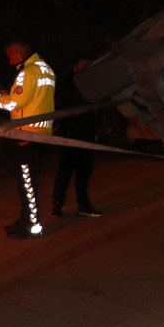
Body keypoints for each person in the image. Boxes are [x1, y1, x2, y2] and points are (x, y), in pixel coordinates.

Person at [0, 38, 56, 239]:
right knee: (29, 180)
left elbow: (17, 102)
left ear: (19, 53)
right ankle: (26, 217)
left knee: (26, 181)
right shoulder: (46, 68)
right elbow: (34, 99)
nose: (9, 59)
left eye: (10, 55)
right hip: (41, 132)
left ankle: (31, 225)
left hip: (26, 133)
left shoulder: (27, 72)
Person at [51, 56, 103, 219]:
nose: (86, 68)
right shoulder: (66, 85)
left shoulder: (92, 84)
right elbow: (59, 107)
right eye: (83, 65)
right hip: (70, 133)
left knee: (84, 172)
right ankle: (57, 205)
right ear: (75, 67)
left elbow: (99, 106)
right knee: (65, 171)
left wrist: (98, 126)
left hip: (86, 133)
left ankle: (83, 205)